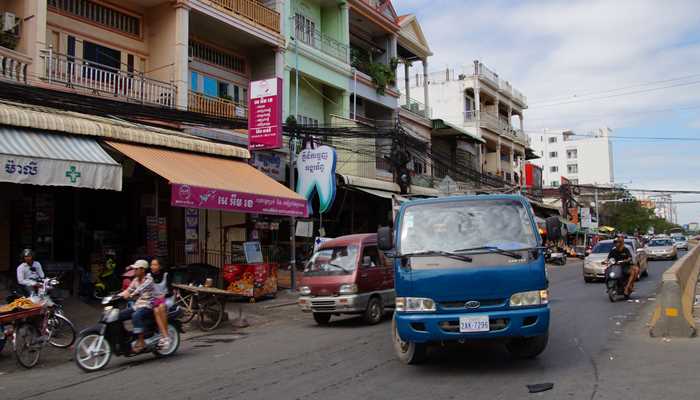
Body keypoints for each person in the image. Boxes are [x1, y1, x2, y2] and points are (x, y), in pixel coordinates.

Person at [119, 260, 154, 353]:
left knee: (135, 316)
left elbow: (139, 289)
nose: (134, 270)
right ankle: (126, 337)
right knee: (119, 315)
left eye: (136, 269)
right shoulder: (135, 279)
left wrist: (130, 295)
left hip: (148, 304)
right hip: (138, 305)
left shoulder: (149, 279)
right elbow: (128, 290)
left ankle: (141, 342)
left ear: (142, 270)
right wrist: (116, 296)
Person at [149, 259, 171, 349]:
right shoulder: (149, 276)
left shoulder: (166, 275)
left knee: (161, 307)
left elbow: (171, 291)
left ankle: (164, 336)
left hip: (167, 299)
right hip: (155, 299)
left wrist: (163, 295)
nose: (152, 267)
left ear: (160, 266)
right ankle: (165, 336)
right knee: (155, 310)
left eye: (155, 265)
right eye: (151, 265)